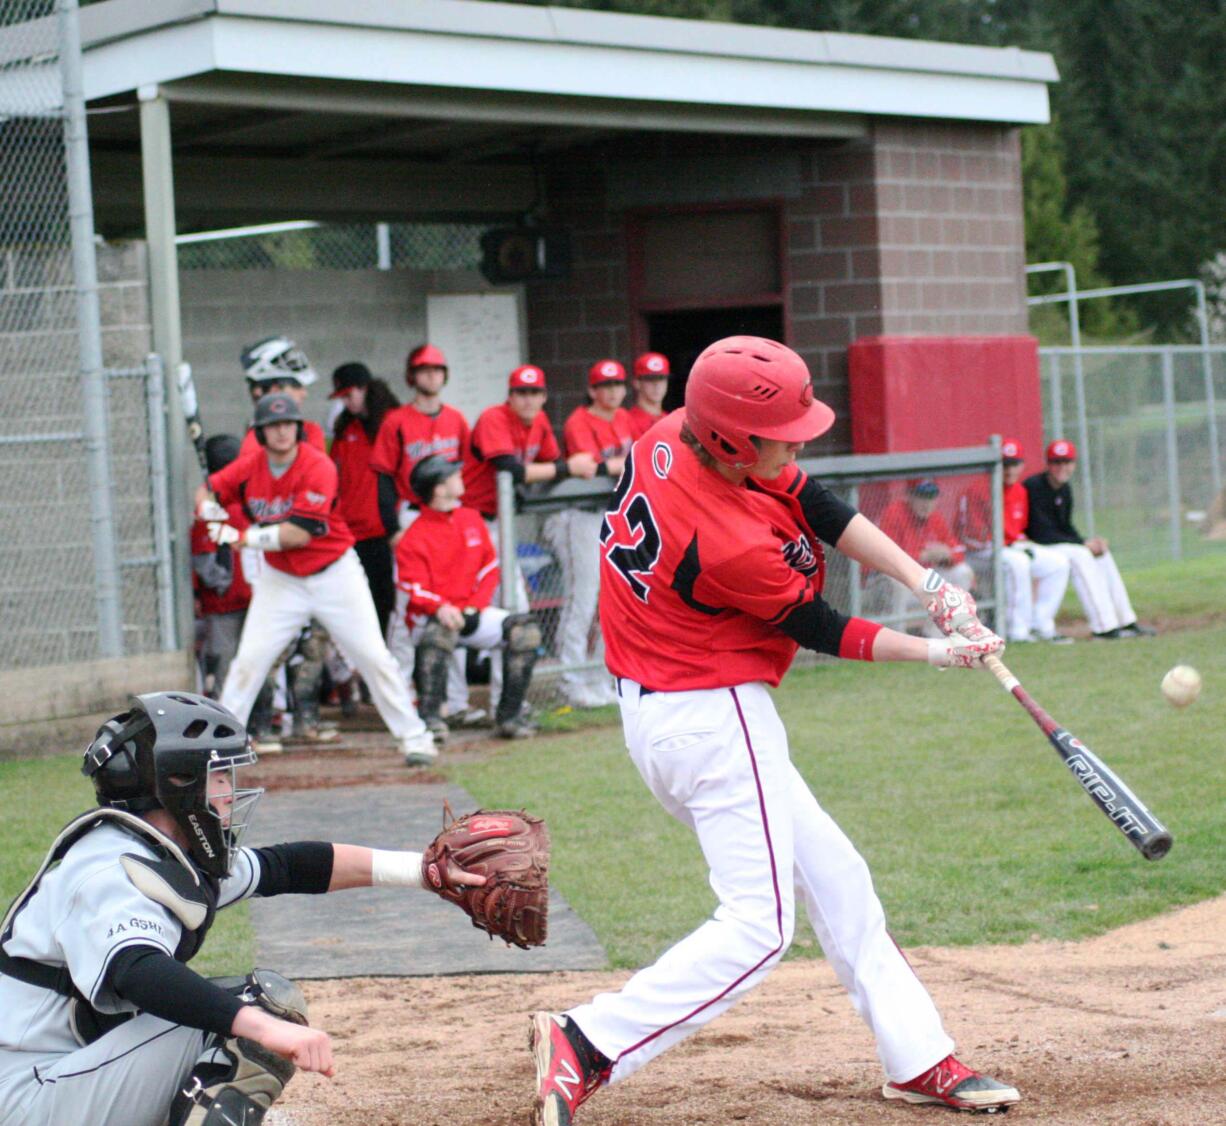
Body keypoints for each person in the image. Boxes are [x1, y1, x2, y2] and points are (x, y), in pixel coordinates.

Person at [529, 336, 1019, 1125]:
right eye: (782, 431)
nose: (796, 441)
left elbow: (815, 503)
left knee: (838, 877)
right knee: (760, 929)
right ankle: (587, 1040)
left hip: (668, 708)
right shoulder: (724, 541)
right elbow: (823, 627)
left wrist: (924, 580)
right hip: (714, 717)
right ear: (729, 437)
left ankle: (918, 1055)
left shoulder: (674, 434)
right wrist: (940, 651)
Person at [0, 691, 482, 1125]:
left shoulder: (159, 851)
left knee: (254, 1012)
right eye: (218, 777)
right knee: (257, 1013)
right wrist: (262, 1026)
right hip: (28, 1095)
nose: (231, 791)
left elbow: (287, 867)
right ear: (177, 784)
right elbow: (138, 971)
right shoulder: (107, 869)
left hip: (61, 1077)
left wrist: (425, 872)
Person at [197, 392, 436, 766]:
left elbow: (299, 533)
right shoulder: (251, 465)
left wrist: (242, 538)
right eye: (272, 426)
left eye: (287, 424)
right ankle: (221, 750)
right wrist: (211, 513)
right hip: (282, 579)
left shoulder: (318, 465)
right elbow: (208, 490)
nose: (281, 432)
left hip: (334, 574)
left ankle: (416, 738)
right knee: (249, 661)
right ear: (259, 432)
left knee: (373, 657)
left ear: (298, 428)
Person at [395, 456, 543, 742]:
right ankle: (432, 718)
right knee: (438, 635)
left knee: (525, 631)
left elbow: (489, 567)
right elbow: (414, 589)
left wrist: (476, 604)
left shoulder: (470, 518)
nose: (460, 476)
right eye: (452, 475)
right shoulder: (414, 536)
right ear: (438, 489)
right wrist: (441, 607)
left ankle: (509, 717)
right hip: (433, 619)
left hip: (471, 612)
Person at [370, 343, 472, 711]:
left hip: (448, 516)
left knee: (452, 601)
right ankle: (398, 698)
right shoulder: (396, 421)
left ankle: (455, 701)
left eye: (437, 369)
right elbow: (381, 477)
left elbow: (465, 473)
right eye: (424, 370)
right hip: (411, 516)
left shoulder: (457, 419)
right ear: (412, 376)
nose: (431, 376)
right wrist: (391, 527)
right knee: (404, 611)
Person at [543, 359, 634, 708]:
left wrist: (617, 465)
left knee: (612, 599)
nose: (611, 391)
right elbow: (590, 468)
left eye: (617, 385)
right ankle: (570, 679)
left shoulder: (624, 418)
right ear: (592, 390)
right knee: (582, 599)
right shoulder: (578, 421)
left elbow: (628, 461)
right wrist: (617, 465)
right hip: (580, 516)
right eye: (604, 386)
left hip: (614, 514)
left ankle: (599, 676)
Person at [1023, 439, 1155, 638]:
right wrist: (1083, 544)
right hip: (1035, 545)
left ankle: (1125, 620)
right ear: (1048, 464)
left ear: (1073, 465)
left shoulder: (1064, 489)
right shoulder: (1034, 487)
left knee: (1101, 553)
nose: (1062, 467)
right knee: (1081, 554)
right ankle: (1104, 627)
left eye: (1066, 462)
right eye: (1056, 462)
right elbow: (1042, 533)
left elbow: (1065, 527)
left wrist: (1089, 542)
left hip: (1055, 545)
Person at [957, 438, 1072, 643]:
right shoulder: (978, 489)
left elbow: (1017, 531)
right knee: (1018, 562)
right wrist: (1010, 547)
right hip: (979, 552)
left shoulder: (1019, 491)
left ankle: (1041, 624)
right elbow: (971, 537)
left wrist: (1021, 544)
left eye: (1014, 464)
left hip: (1010, 548)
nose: (1010, 470)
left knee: (1058, 563)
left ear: (1022, 465)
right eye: (1005, 464)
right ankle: (1017, 631)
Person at [329, 362, 400, 639]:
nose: (346, 403)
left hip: (386, 531)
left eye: (349, 396)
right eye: (342, 398)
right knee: (361, 605)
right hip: (353, 533)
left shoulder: (391, 422)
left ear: (364, 389)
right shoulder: (346, 428)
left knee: (389, 603)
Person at [872, 479, 975, 636]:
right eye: (921, 497)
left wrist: (948, 554)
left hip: (923, 580)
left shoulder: (936, 518)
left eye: (931, 497)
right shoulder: (894, 513)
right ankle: (898, 640)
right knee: (898, 584)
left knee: (962, 572)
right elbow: (886, 557)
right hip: (891, 581)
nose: (926, 503)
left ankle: (942, 634)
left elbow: (958, 550)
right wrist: (923, 556)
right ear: (909, 496)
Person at [237, 335, 327, 457]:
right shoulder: (253, 443)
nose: (304, 394)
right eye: (296, 386)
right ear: (275, 391)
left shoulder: (311, 431)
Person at [626, 351, 671, 439]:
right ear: (636, 383)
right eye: (650, 379)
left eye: (661, 379)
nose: (657, 385)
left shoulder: (670, 419)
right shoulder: (627, 421)